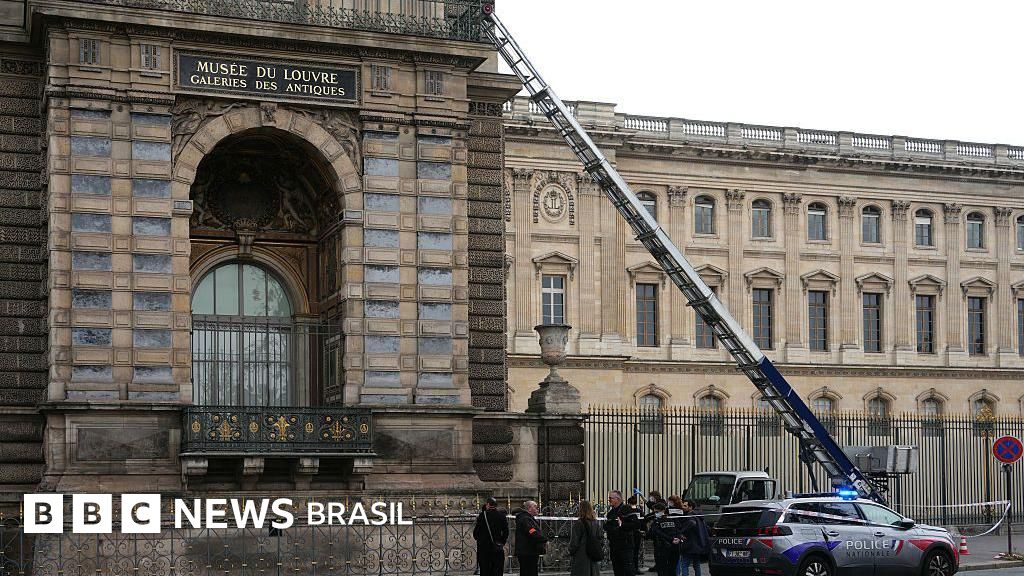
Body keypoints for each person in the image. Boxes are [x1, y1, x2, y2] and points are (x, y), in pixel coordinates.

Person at [603, 490, 641, 576]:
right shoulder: (611, 513)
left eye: (610, 498)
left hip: (625, 546)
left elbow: (636, 524)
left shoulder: (627, 509)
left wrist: (622, 525)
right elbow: (607, 526)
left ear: (617, 499)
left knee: (628, 571)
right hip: (614, 546)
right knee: (617, 570)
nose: (609, 500)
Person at [647, 502, 685, 576]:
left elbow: (656, 533)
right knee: (672, 569)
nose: (655, 513)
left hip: (663, 547)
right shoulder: (672, 519)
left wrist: (673, 539)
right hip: (674, 546)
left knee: (662, 569)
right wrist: (677, 539)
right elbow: (679, 530)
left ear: (663, 511)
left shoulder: (657, 521)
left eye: (656, 512)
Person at [474, 497, 509, 576]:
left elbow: (476, 532)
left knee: (485, 570)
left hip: (484, 548)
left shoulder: (482, 516)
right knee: (497, 570)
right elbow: (506, 532)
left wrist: (480, 540)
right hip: (497, 547)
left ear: (488, 504)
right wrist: (501, 542)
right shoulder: (501, 516)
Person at [569, 500, 603, 576]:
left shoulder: (579, 523)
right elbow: (600, 538)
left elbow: (574, 542)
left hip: (581, 556)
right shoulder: (596, 523)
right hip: (593, 555)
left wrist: (571, 551)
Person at [514, 500, 547, 576]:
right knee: (529, 572)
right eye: (535, 507)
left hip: (528, 551)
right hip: (527, 551)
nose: (537, 509)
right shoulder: (525, 519)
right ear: (529, 508)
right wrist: (543, 539)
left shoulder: (527, 518)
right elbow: (531, 531)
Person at [677, 500, 709, 576]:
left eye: (685, 506)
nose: (683, 507)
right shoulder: (698, 516)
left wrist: (681, 532)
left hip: (689, 544)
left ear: (690, 507)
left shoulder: (690, 516)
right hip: (698, 544)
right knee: (696, 564)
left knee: (684, 564)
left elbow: (691, 524)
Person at [625, 495, 644, 576]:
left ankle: (630, 568)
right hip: (637, 532)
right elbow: (643, 521)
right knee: (636, 551)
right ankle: (635, 568)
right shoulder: (639, 511)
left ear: (628, 503)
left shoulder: (627, 511)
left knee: (629, 551)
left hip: (629, 532)